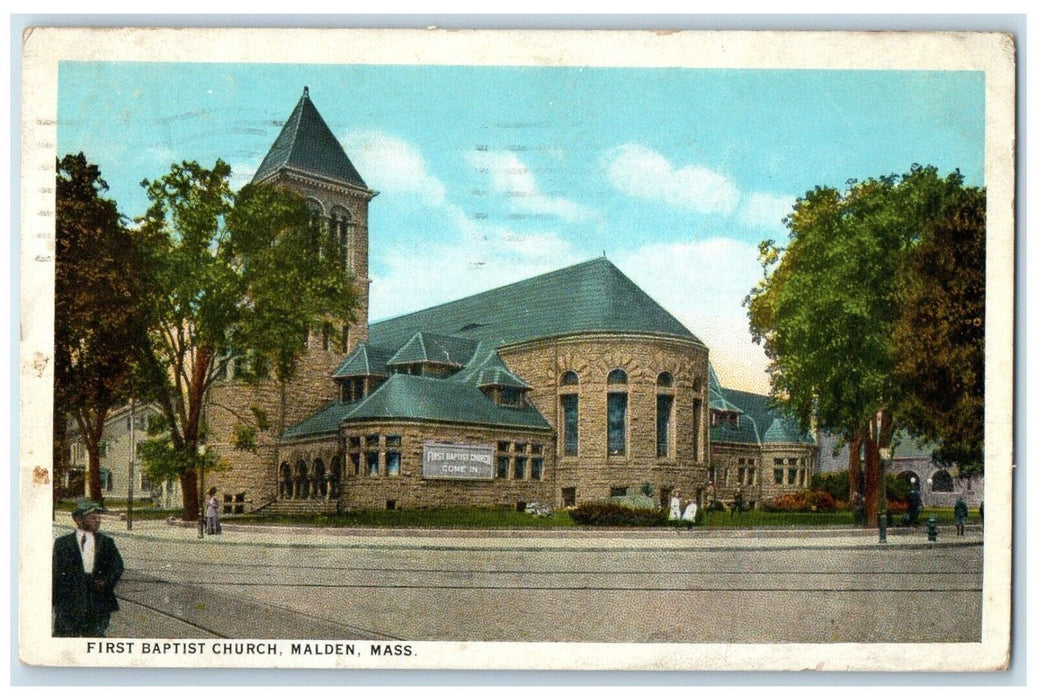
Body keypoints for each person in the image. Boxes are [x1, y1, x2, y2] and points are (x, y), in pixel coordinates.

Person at [53, 499, 124, 637]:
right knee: (65, 640)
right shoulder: (62, 543)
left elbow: (117, 566)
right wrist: (56, 600)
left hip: (97, 602)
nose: (98, 521)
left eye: (99, 517)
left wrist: (105, 581)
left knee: (94, 638)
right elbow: (55, 572)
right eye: (93, 517)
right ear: (79, 520)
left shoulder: (106, 543)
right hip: (70, 603)